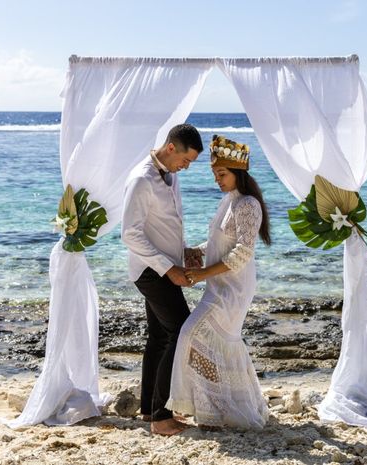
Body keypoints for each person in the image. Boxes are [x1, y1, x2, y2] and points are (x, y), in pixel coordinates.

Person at [167, 134, 271, 430]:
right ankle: (213, 409)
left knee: (192, 335)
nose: (217, 180)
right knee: (202, 341)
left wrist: (201, 274)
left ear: (237, 173)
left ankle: (214, 409)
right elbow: (219, 243)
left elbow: (243, 252)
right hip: (218, 285)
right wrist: (194, 252)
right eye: (214, 174)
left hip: (233, 289)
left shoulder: (248, 204)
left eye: (222, 174)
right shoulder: (229, 201)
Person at [121, 123, 204, 436]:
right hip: (150, 272)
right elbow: (130, 234)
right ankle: (160, 416)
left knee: (159, 336)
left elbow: (164, 226)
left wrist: (184, 253)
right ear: (171, 148)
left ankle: (148, 410)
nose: (186, 167)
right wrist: (169, 270)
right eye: (186, 160)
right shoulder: (141, 179)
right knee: (180, 331)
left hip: (167, 265)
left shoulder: (171, 175)